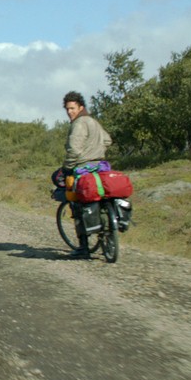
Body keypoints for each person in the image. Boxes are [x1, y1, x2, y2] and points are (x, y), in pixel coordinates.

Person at [62, 90, 112, 257]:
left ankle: (83, 247)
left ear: (80, 107)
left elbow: (74, 149)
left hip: (83, 167)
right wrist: (96, 150)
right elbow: (107, 140)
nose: (70, 112)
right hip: (101, 166)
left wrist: (67, 167)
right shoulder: (93, 122)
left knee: (76, 202)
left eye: (72, 108)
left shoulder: (79, 123)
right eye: (67, 109)